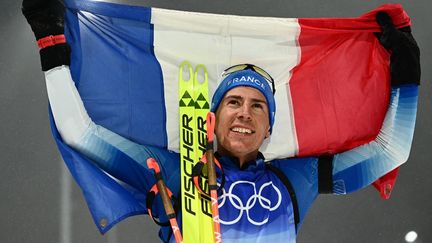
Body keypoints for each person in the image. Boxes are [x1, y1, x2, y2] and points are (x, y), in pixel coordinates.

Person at [22, 0, 420, 242]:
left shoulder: (296, 178)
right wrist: (50, 43)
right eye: (233, 102)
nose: (244, 112)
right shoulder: (174, 172)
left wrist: (406, 73)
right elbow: (80, 132)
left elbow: (391, 152)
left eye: (257, 106)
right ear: (212, 120)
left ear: (269, 127)